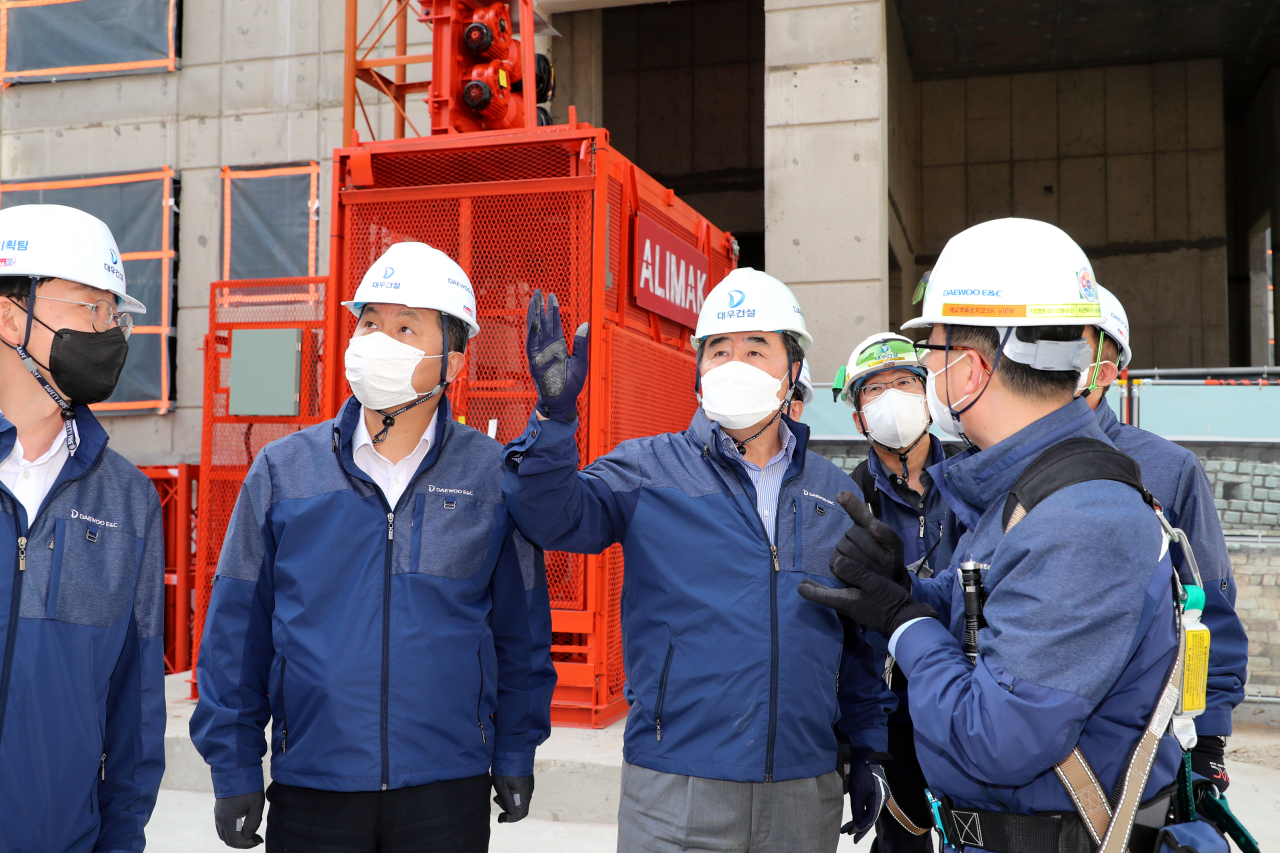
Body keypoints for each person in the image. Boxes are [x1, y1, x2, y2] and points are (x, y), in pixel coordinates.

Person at [800, 219, 1183, 853]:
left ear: (971, 370)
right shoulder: (1026, 494)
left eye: (933, 347)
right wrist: (911, 592)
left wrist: (903, 622)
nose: (927, 368)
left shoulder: (1083, 521)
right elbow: (987, 611)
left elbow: (994, 738)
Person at [503, 268, 894, 853]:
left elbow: (857, 637)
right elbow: (549, 516)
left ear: (792, 372)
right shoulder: (647, 469)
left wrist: (868, 745)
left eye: (756, 348)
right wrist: (555, 421)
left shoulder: (834, 493)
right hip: (674, 791)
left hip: (801, 789)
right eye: (719, 349)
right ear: (699, 370)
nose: (734, 364)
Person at [192, 242, 556, 853]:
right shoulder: (283, 471)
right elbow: (237, 632)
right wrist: (233, 766)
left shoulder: (492, 477)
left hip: (446, 787)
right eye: (369, 323)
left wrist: (516, 748)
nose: (376, 341)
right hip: (314, 785)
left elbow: (520, 633)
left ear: (453, 361)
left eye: (406, 326)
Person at [0, 204, 165, 851]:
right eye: (88, 309)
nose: (109, 332)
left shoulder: (127, 500)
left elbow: (135, 706)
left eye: (113, 314)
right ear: (12, 314)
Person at [1077, 284, 1247, 798]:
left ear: (1105, 370)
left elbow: (1208, 609)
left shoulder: (1168, 471)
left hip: (1142, 745)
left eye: (1068, 342)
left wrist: (1208, 739)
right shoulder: (984, 467)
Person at [832, 333, 964, 852]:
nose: (892, 397)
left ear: (929, 393)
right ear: (858, 416)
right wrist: (858, 740)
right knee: (902, 841)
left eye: (905, 383)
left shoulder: (977, 476)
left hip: (978, 696)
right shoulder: (847, 499)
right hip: (895, 710)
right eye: (874, 389)